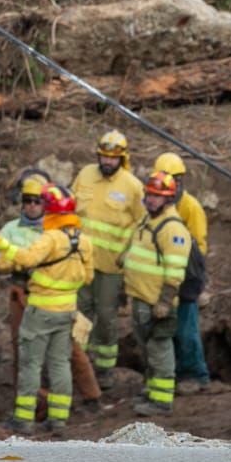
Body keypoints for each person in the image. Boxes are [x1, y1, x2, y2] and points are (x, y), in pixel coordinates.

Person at [0, 172, 102, 409]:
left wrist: (13, 252)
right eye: (27, 200)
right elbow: (0, 263)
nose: (32, 206)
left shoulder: (51, 235)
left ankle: (85, 398)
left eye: (37, 201)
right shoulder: (15, 229)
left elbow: (21, 257)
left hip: (44, 303)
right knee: (28, 353)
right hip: (25, 296)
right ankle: (48, 409)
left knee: (57, 356)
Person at [72, 129, 146, 385]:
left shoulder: (132, 186)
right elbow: (71, 211)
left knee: (105, 316)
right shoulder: (85, 175)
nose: (107, 162)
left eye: (112, 159)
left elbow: (143, 224)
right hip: (81, 262)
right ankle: (79, 364)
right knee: (79, 313)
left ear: (123, 158)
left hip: (111, 266)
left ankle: (104, 370)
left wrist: (129, 254)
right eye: (103, 157)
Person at [121, 170, 194, 416]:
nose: (151, 200)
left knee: (159, 349)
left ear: (169, 199)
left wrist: (164, 301)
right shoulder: (148, 220)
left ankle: (162, 401)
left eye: (156, 196)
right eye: (149, 194)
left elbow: (175, 271)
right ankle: (152, 390)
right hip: (141, 298)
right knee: (147, 349)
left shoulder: (172, 229)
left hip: (156, 302)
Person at [154, 151, 210, 394]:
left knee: (187, 330)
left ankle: (196, 375)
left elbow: (199, 246)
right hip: (162, 275)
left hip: (186, 276)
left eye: (175, 180)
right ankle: (172, 373)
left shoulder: (190, 208)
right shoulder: (155, 205)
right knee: (167, 329)